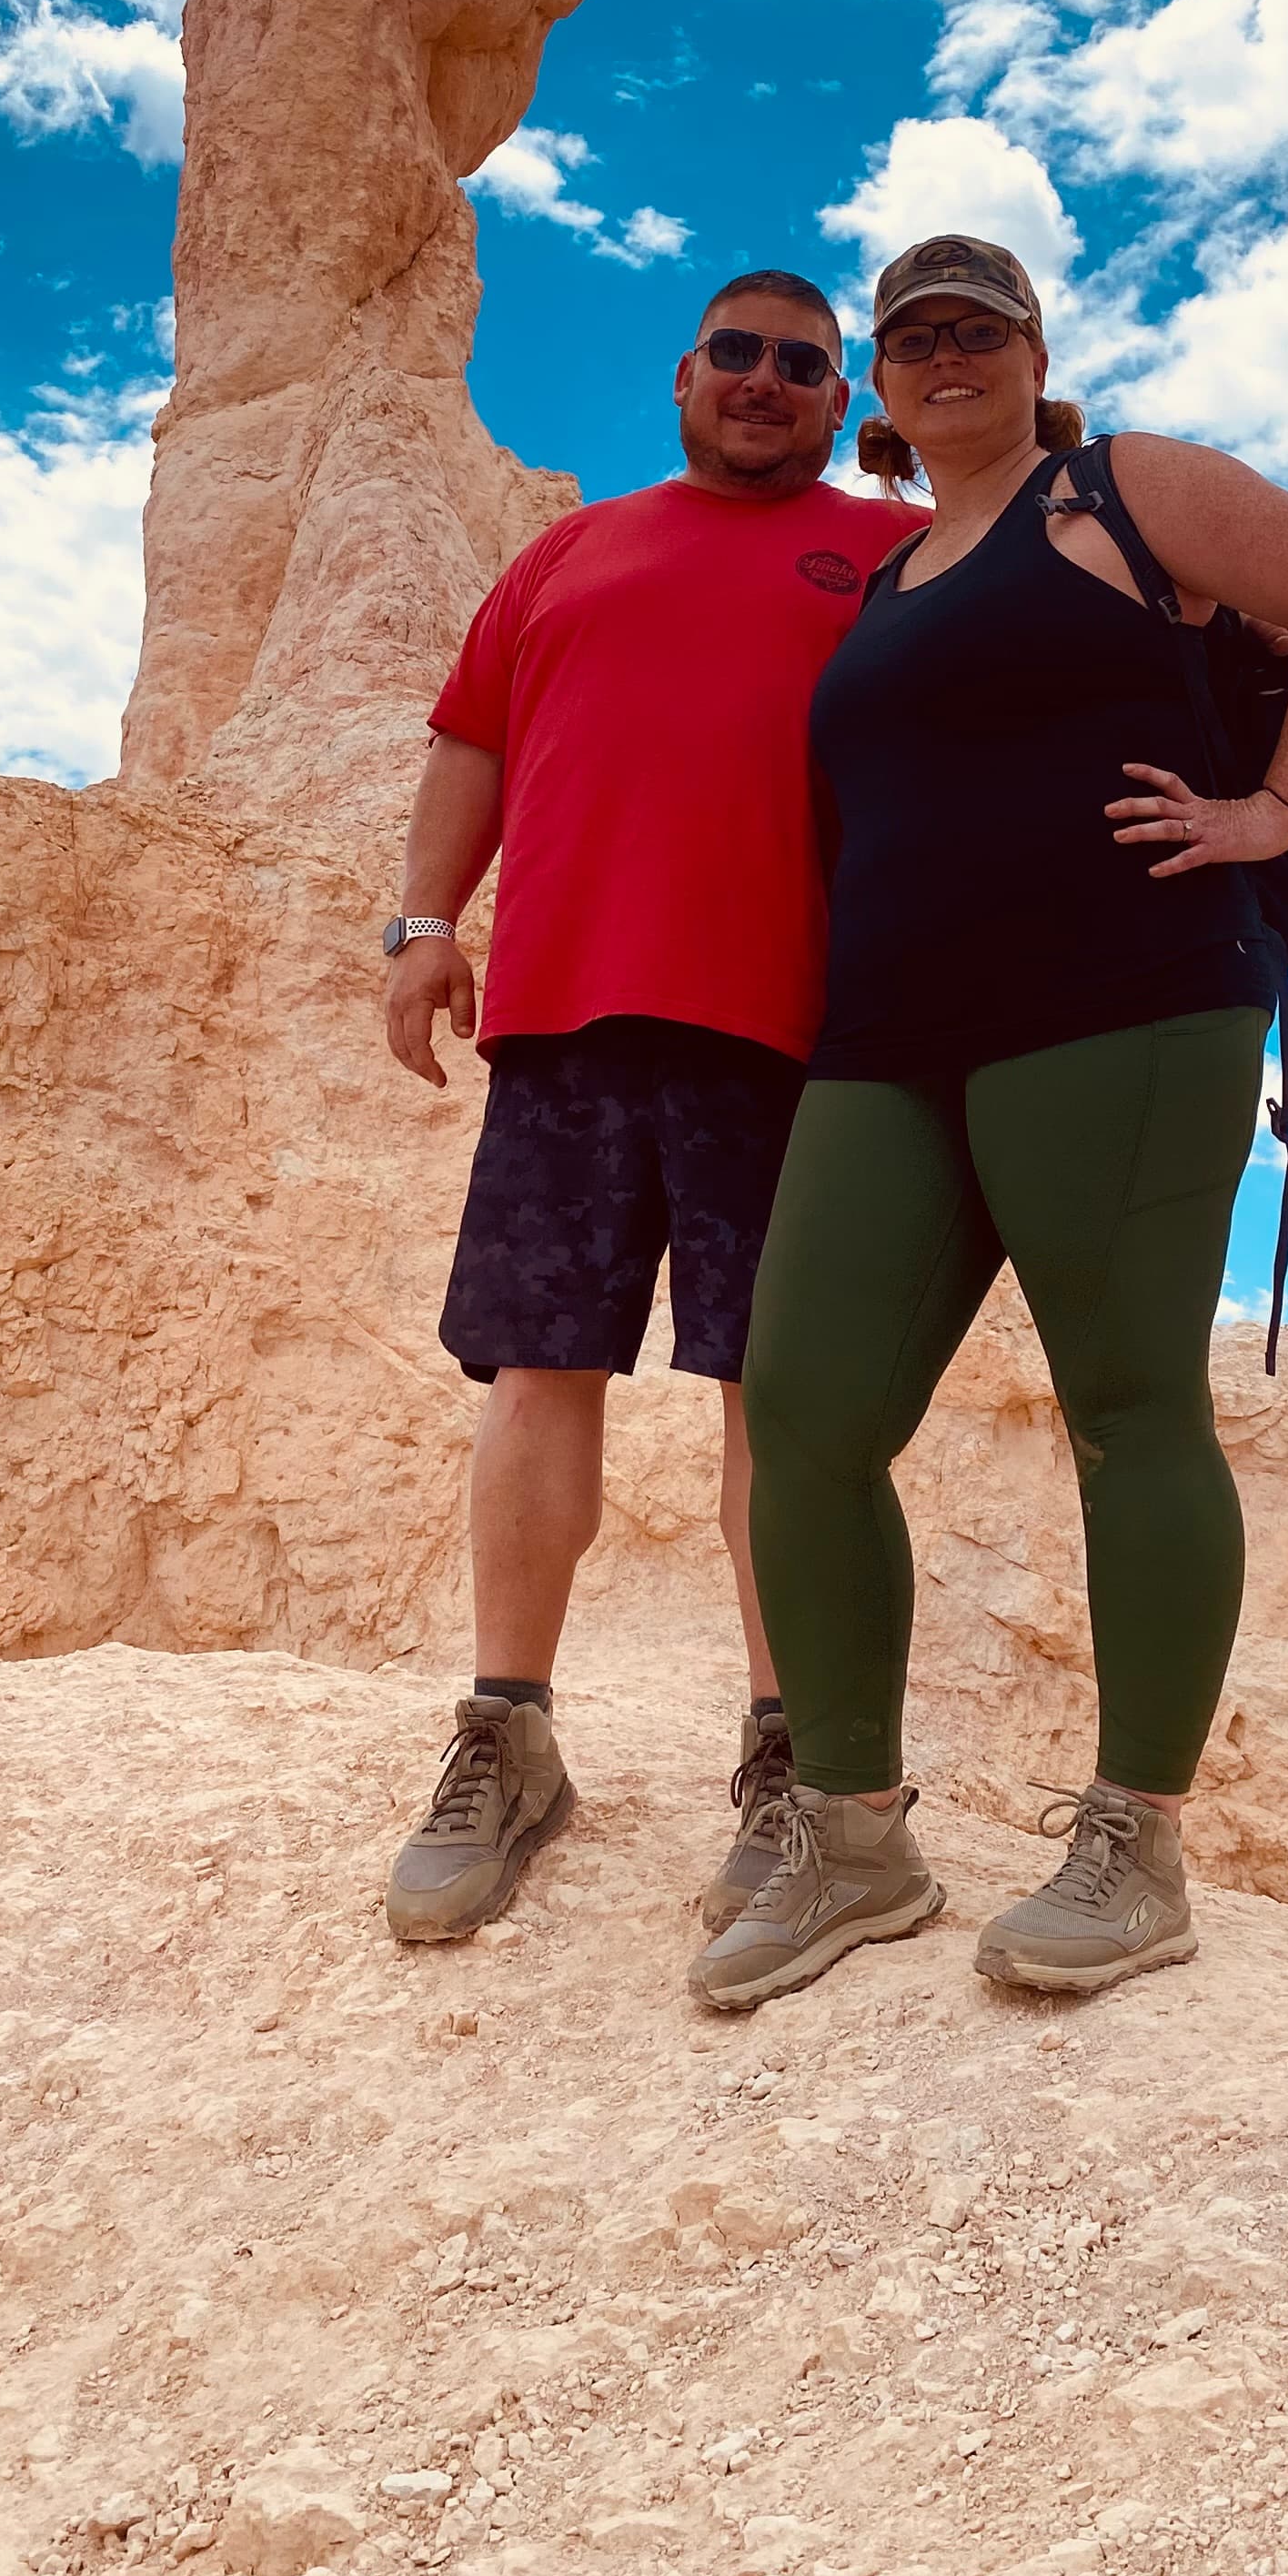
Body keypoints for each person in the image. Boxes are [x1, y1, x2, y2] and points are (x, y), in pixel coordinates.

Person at [689, 232, 1288, 2012]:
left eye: (977, 331)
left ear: (1030, 354)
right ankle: (853, 1839)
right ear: (882, 377)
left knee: (1126, 1404)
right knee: (802, 1408)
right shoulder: (891, 578)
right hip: (893, 1039)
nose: (947, 357)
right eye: (915, 336)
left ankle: (1133, 1847)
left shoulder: (1119, 490)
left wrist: (1272, 808)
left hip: (1131, 1001)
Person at [380, 268, 917, 1944]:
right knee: (541, 1370)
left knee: (784, 1395)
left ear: (844, 403)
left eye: (803, 367)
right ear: (683, 375)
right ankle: (509, 1735)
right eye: (738, 356)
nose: (766, 382)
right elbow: (472, 739)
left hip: (796, 1035)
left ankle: (792, 1755)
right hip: (564, 1018)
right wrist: (419, 924)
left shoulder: (891, 562)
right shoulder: (564, 554)